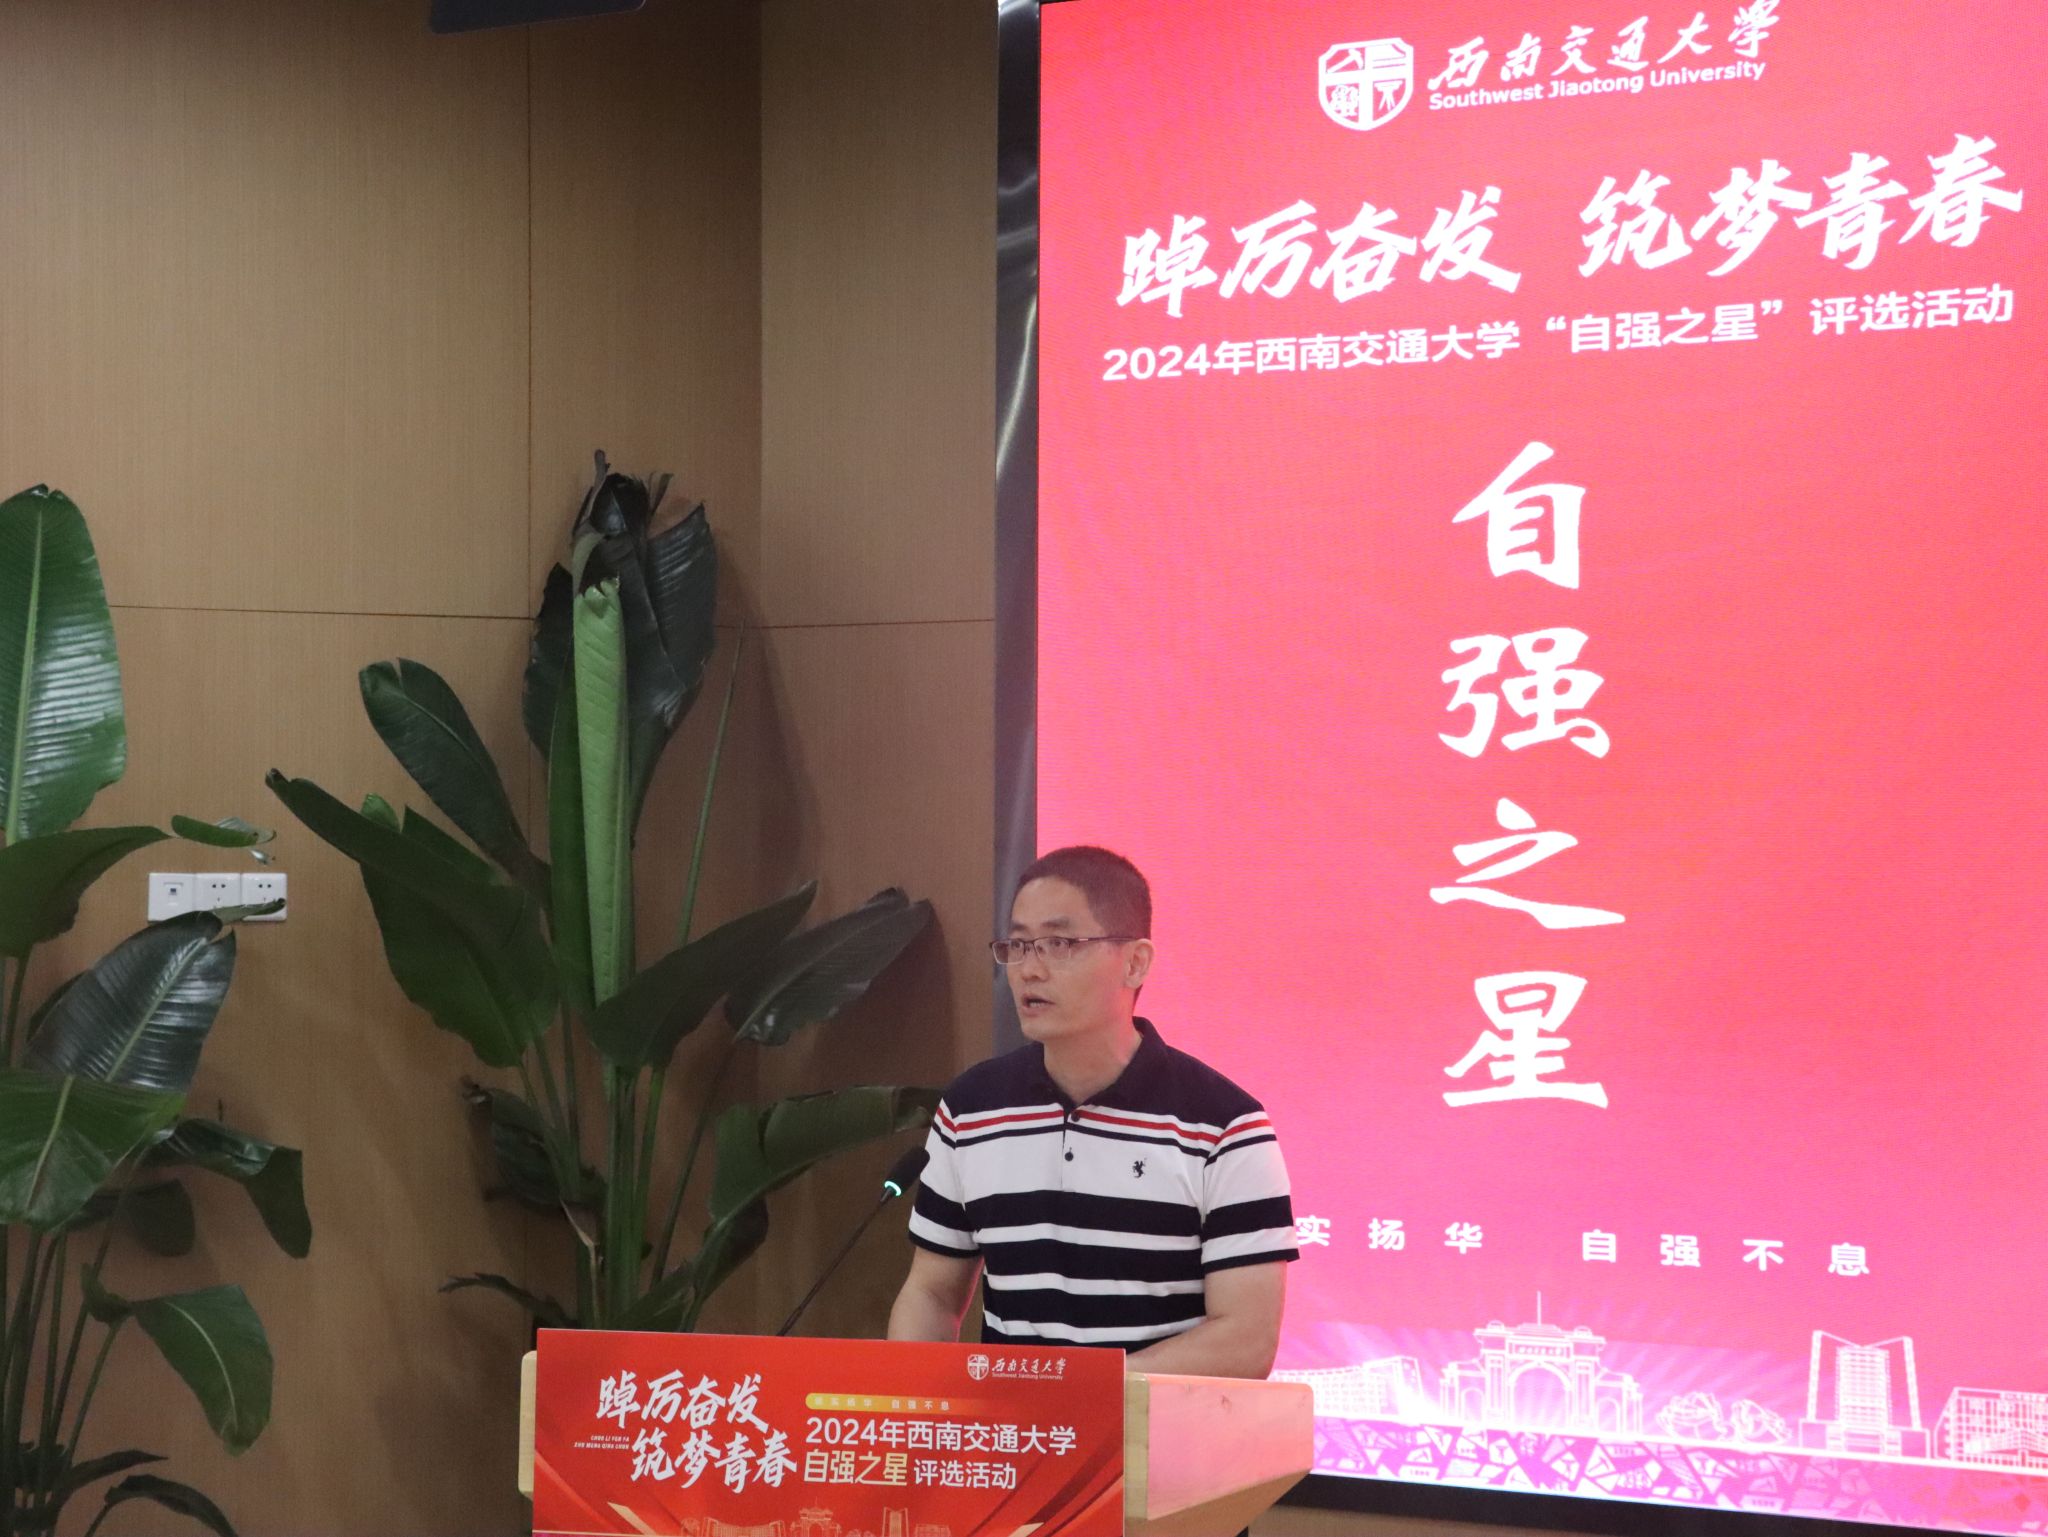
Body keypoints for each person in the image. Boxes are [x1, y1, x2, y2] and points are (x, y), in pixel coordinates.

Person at [888, 845, 1296, 1376]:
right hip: (1010, 1427)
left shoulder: (1224, 1126)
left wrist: (1081, 1398)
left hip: (1156, 1427)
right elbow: (932, 1294)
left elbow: (1245, 1340)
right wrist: (912, 1401)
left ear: (1135, 962)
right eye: (1018, 945)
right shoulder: (971, 1109)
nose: (1029, 970)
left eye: (1059, 944)